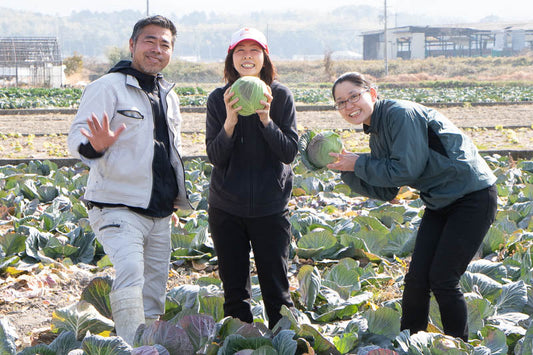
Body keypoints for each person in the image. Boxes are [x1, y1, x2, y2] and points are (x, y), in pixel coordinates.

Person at [326, 72, 497, 341]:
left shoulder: (400, 114)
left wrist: (358, 163)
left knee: (443, 278)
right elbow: (388, 189)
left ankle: (458, 346)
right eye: (341, 103)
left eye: (353, 97)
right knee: (417, 279)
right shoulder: (377, 132)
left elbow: (406, 169)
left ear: (372, 93)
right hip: (440, 201)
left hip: (472, 196)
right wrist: (345, 170)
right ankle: (409, 342)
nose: (349, 106)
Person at [67, 15, 190, 345]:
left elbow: (168, 154)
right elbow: (77, 137)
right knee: (131, 272)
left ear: (171, 53)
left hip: (160, 211)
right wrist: (94, 146)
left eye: (165, 44)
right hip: (116, 205)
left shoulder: (168, 95)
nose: (157, 49)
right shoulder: (107, 87)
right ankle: (130, 347)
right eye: (149, 41)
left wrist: (172, 199)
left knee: (154, 286)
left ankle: (147, 343)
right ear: (133, 44)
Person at [205, 27, 298, 329]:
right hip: (226, 209)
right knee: (234, 294)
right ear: (231, 58)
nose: (247, 56)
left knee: (277, 292)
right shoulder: (218, 99)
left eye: (254, 50)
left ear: (264, 57)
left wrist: (266, 120)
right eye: (240, 50)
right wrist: (230, 122)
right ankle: (240, 345)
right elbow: (216, 157)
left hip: (270, 209)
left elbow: (289, 152)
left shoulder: (280, 96)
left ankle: (288, 346)